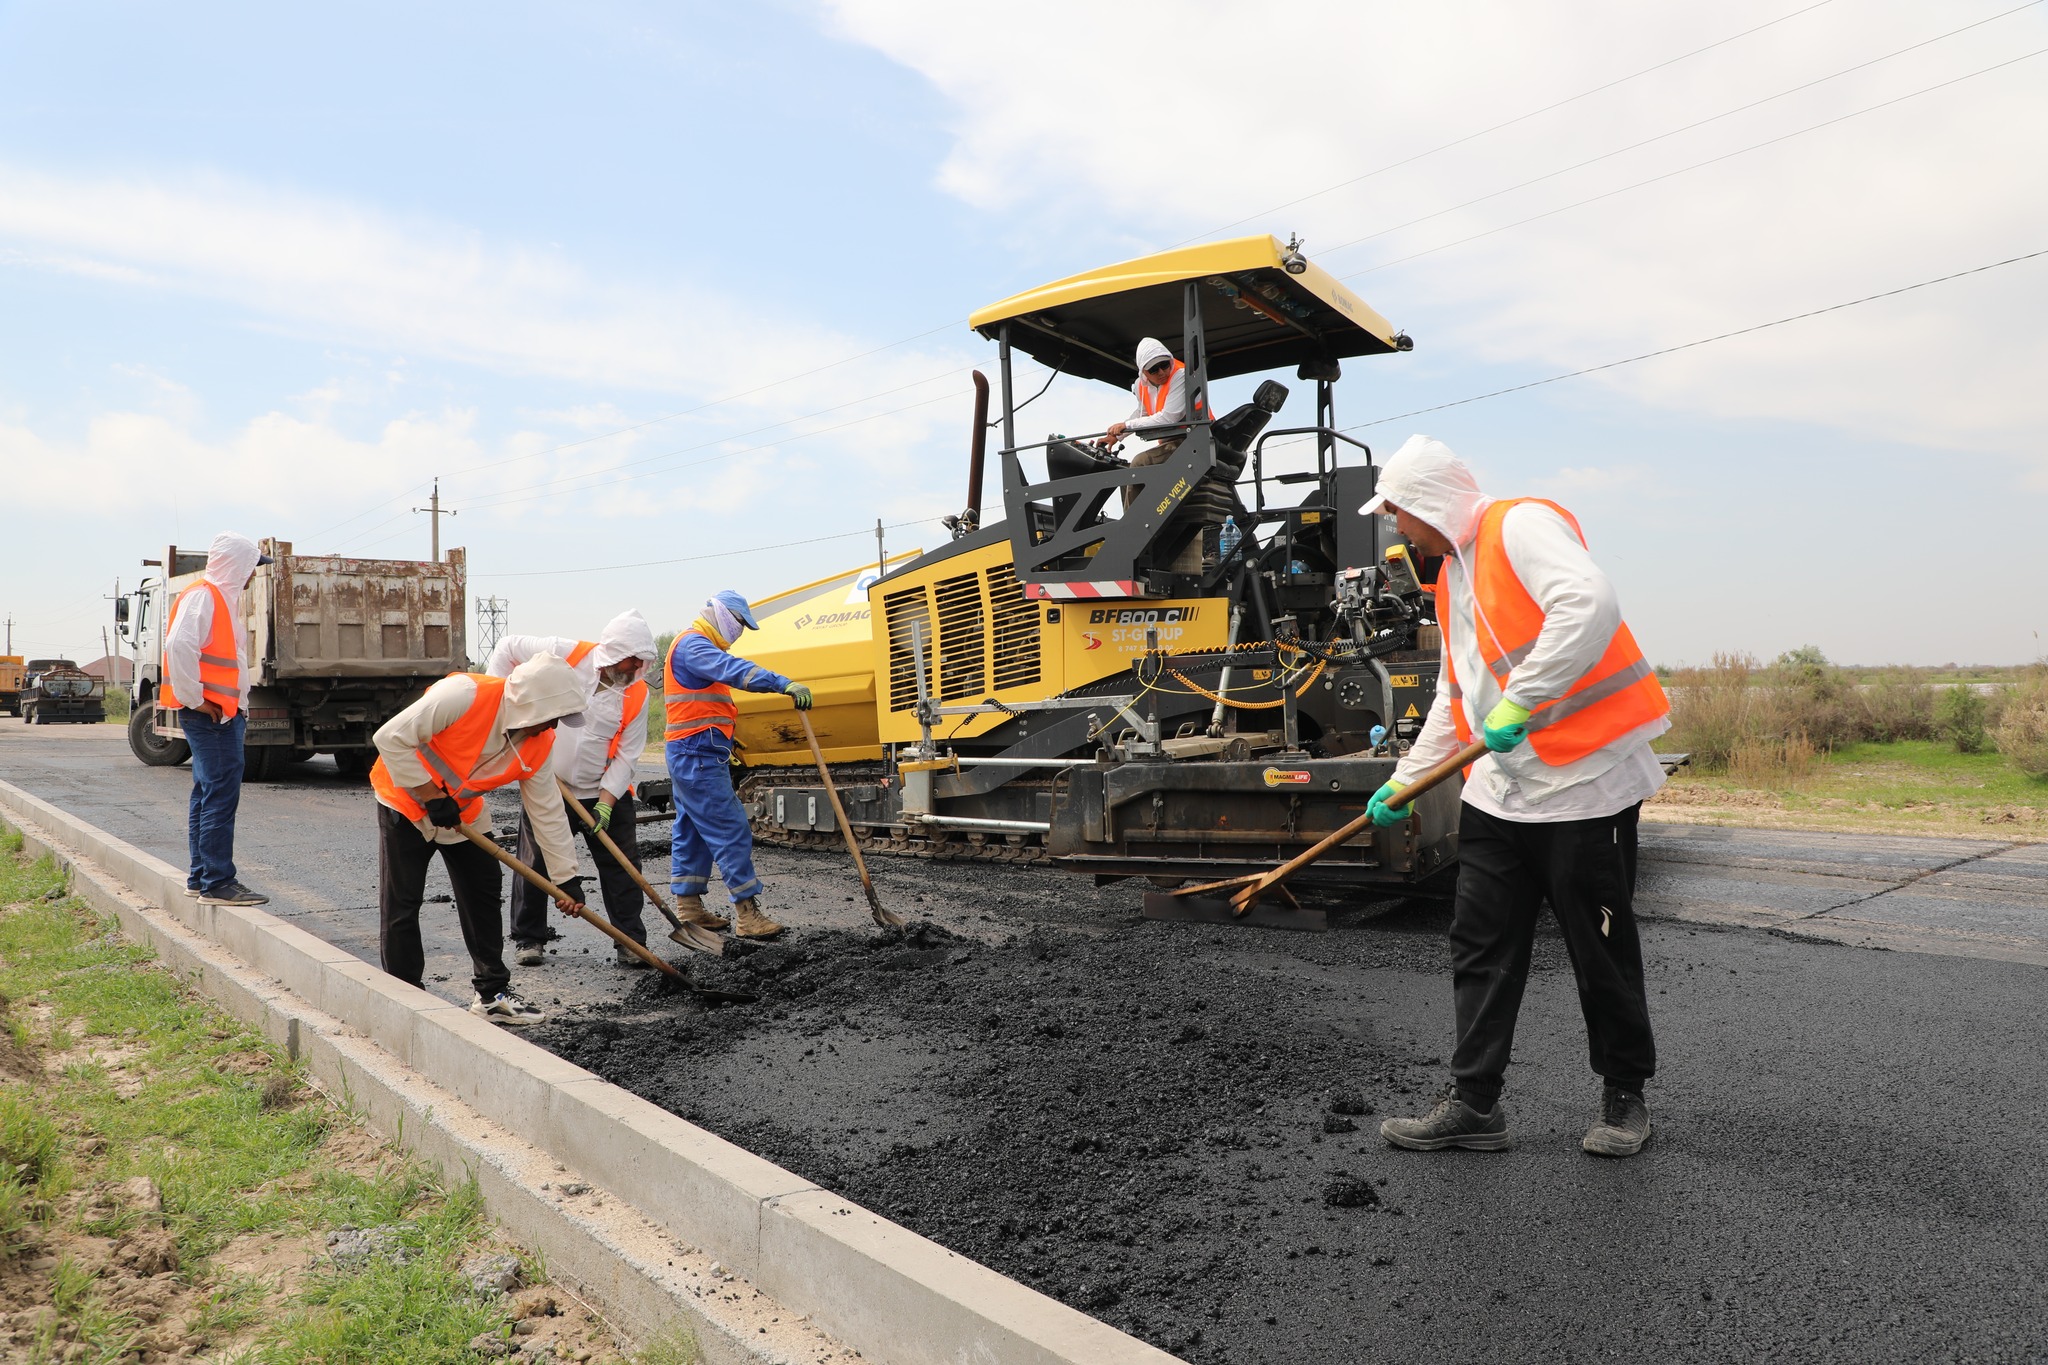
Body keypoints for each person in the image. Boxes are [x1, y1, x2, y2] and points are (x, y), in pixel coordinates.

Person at [1361, 435, 1672, 1159]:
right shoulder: (1448, 579)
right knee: (1479, 944)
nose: (1397, 529)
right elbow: (1454, 693)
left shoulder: (1519, 526)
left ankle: (1625, 1097)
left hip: (1584, 787)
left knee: (1599, 947)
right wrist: (1407, 779)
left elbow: (1589, 604)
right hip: (1501, 795)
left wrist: (1522, 699)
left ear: (1430, 502)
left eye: (1400, 513)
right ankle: (1474, 1103)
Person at [368, 653, 591, 1026]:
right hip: (405, 803)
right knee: (402, 902)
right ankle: (404, 995)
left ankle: (492, 994)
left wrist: (565, 878)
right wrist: (429, 796)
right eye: (552, 715)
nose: (554, 725)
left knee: (484, 893)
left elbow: (547, 811)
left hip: (463, 815)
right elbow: (389, 738)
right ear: (532, 703)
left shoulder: (538, 741)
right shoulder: (464, 694)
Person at [486, 610, 700, 969]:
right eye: (631, 663)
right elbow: (507, 647)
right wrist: (498, 706)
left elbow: (629, 754)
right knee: (535, 863)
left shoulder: (635, 694)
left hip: (604, 791)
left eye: (640, 665)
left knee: (622, 867)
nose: (634, 673)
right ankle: (528, 939)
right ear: (614, 653)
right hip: (549, 784)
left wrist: (606, 800)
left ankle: (630, 941)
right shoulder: (565, 653)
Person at [664, 591, 811, 939]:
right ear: (724, 616)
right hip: (696, 754)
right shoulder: (694, 645)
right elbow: (735, 671)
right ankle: (747, 914)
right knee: (730, 827)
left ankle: (689, 908)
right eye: (740, 624)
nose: (740, 632)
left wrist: (729, 739)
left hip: (692, 752)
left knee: (693, 829)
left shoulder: (698, 647)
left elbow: (706, 707)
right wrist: (782, 683)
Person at [161, 532, 273, 907]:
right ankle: (217, 882)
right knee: (220, 795)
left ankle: (201, 877)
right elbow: (178, 646)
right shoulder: (203, 597)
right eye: (250, 568)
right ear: (236, 566)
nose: (252, 575)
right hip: (213, 717)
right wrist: (195, 700)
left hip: (219, 714)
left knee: (208, 794)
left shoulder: (220, 600)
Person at [1106, 337, 1215, 512]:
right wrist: (1116, 436)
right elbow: (1144, 413)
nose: (1162, 372)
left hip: (1193, 441)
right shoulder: (1142, 386)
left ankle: (1132, 527)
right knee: (1125, 472)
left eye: (1165, 365)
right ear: (1144, 372)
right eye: (1154, 369)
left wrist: (1127, 425)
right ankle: (1140, 516)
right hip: (1171, 444)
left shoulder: (1180, 375)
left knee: (1139, 463)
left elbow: (1169, 417)